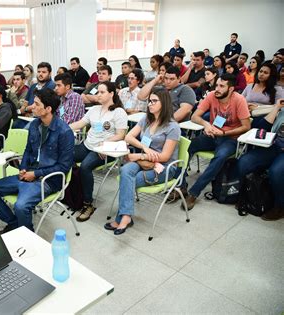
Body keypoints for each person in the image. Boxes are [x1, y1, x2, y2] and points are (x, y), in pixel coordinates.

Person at [0, 88, 74, 232]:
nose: (32, 107)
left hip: (47, 180)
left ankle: (27, 234)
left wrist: (35, 174)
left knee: (21, 205)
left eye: (36, 104)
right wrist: (23, 168)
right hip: (28, 173)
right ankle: (14, 224)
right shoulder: (35, 125)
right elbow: (28, 150)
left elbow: (64, 166)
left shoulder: (64, 132)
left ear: (48, 109)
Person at [106, 88, 180, 235]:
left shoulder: (173, 126)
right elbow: (128, 137)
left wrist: (139, 156)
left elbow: (165, 156)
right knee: (125, 171)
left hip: (164, 167)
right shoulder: (147, 119)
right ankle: (126, 216)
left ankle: (123, 217)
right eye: (149, 101)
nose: (150, 104)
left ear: (164, 103)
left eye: (154, 101)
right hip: (145, 161)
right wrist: (144, 148)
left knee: (129, 179)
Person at [179, 73, 251, 210]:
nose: (217, 88)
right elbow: (195, 117)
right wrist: (207, 126)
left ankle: (194, 193)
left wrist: (224, 132)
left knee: (220, 157)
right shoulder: (212, 95)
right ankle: (181, 185)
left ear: (230, 89)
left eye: (221, 86)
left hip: (230, 138)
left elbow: (246, 126)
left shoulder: (239, 100)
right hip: (212, 135)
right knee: (188, 145)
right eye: (217, 84)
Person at [69, 81, 128, 222]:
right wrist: (63, 127)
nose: (98, 95)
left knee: (85, 167)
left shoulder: (118, 112)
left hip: (104, 149)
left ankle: (87, 204)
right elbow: (80, 123)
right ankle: (75, 194)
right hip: (88, 145)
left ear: (111, 94)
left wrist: (105, 143)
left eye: (102, 92)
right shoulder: (95, 109)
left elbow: (121, 135)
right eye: (98, 92)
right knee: (66, 156)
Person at [236, 99, 284, 220]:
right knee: (245, 162)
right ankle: (244, 196)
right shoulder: (281, 109)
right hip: (273, 145)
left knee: (276, 171)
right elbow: (262, 127)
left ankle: (279, 206)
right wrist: (277, 107)